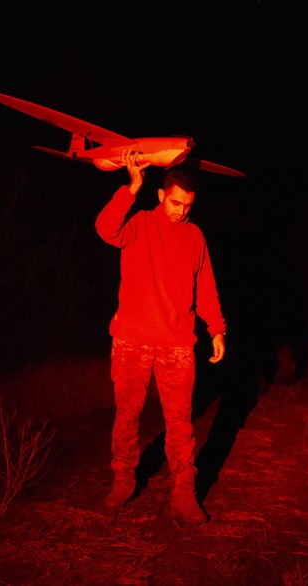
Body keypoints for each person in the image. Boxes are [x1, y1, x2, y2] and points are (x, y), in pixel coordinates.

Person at [95, 150, 226, 524]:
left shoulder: (194, 236)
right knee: (127, 417)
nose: (180, 211)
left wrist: (217, 329)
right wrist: (130, 188)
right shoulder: (139, 224)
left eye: (187, 205)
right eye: (175, 203)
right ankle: (123, 482)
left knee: (181, 424)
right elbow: (105, 228)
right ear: (160, 195)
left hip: (177, 344)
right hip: (132, 339)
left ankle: (184, 495)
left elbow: (206, 289)